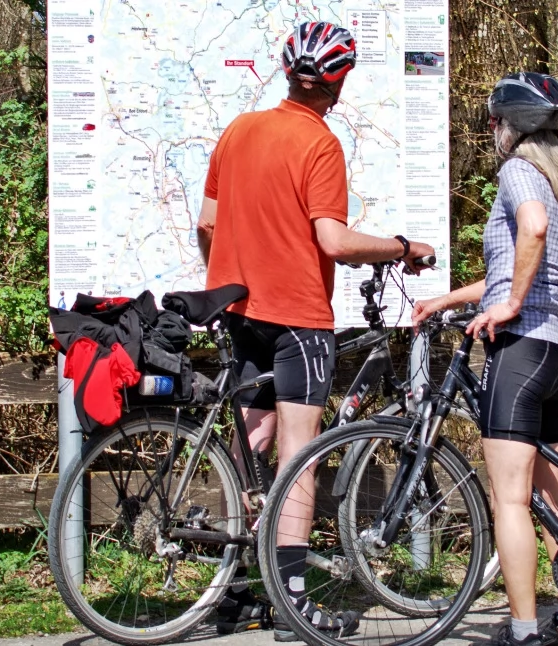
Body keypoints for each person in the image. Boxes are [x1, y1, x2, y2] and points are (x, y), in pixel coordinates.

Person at [196, 20, 435, 641]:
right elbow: (333, 240)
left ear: (285, 72)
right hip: (297, 317)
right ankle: (292, 600)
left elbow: (206, 224)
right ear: (339, 80)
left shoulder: (238, 130)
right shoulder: (320, 144)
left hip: (239, 311)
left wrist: (230, 273)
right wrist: (400, 247)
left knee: (250, 453)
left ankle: (236, 589)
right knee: (298, 458)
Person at [412, 72, 558, 646]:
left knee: (509, 499)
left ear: (512, 126)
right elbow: (519, 264)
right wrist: (452, 298)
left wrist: (510, 305)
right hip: (557, 352)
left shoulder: (519, 171)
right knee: (548, 494)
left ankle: (522, 632)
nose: (491, 131)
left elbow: (530, 235)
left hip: (519, 353)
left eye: (494, 121)